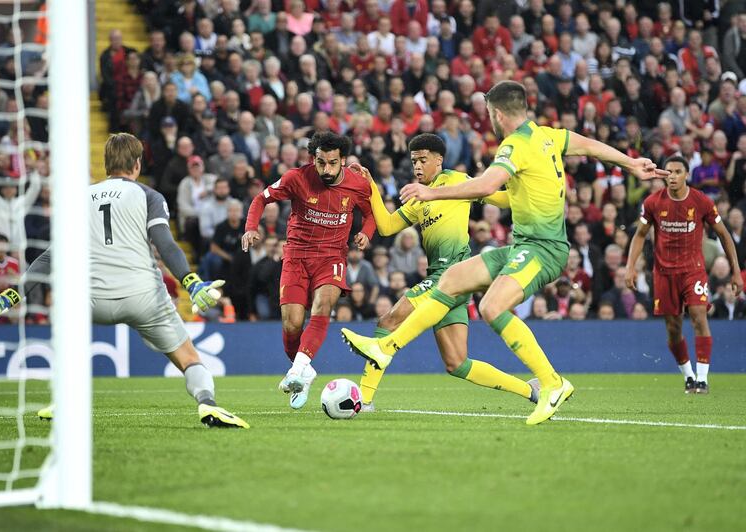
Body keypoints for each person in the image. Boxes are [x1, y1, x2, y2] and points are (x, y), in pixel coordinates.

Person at [342, 81, 668, 425]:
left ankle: (552, 383)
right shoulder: (548, 136)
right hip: (523, 246)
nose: (489, 121)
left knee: (491, 306)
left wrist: (431, 193)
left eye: (488, 114)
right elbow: (587, 145)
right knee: (452, 281)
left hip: (544, 248)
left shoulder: (514, 146)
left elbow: (485, 186)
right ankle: (385, 348)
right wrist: (629, 162)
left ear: (497, 113)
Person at [0, 133, 248, 429]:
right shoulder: (149, 196)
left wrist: (11, 296)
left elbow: (51, 257)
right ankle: (208, 404)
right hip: (143, 297)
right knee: (189, 357)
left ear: (105, 165)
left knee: (71, 340)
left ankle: (66, 401)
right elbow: (165, 245)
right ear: (138, 164)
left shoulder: (81, 199)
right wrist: (192, 282)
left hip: (91, 299)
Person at [350, 133, 540, 411]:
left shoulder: (458, 181)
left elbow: (500, 199)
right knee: (457, 364)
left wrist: (524, 187)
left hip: (452, 276)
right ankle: (530, 390)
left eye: (422, 160)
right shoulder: (419, 197)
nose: (416, 166)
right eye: (413, 160)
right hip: (448, 283)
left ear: (439, 160)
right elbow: (387, 227)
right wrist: (370, 186)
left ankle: (364, 399)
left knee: (389, 322)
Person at [241, 132, 376, 409]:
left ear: (343, 161)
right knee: (292, 325)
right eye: (321, 162)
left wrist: (366, 232)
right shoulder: (296, 178)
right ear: (312, 159)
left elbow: (372, 213)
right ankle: (306, 371)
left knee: (323, 305)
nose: (326, 169)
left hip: (332, 256)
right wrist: (251, 228)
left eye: (332, 163)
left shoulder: (358, 184)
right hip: (297, 255)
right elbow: (260, 199)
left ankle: (295, 371)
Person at [626, 156, 743, 394]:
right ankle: (688, 376)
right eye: (668, 172)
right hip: (664, 273)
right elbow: (640, 235)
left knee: (699, 315)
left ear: (687, 175)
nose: (672, 176)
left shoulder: (701, 201)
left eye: (678, 172)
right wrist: (630, 267)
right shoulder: (652, 202)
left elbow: (724, 234)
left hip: (693, 271)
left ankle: (702, 378)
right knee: (673, 328)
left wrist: (736, 272)